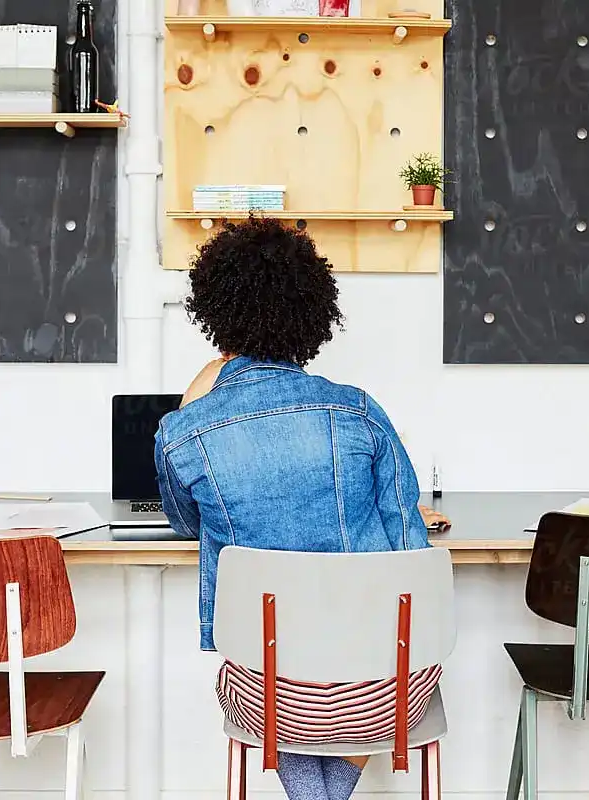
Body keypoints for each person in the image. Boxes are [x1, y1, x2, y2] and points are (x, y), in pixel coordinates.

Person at [153, 217, 450, 800]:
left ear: (216, 318)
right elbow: (409, 543)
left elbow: (189, 525)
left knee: (272, 665)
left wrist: (194, 400)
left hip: (270, 698)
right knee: (371, 661)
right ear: (310, 317)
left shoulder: (182, 434)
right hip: (383, 694)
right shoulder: (359, 412)